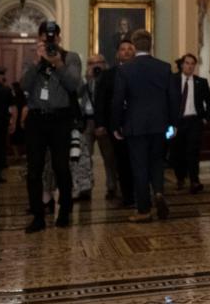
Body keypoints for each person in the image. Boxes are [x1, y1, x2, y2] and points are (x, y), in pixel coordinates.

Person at [20, 20, 82, 233]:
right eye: (46, 37)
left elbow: (75, 85)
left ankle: (64, 211)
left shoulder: (70, 57)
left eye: (53, 37)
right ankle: (38, 216)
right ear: (39, 38)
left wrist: (58, 63)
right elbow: (24, 86)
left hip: (60, 119)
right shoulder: (32, 59)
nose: (50, 40)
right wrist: (39, 62)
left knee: (61, 167)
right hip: (37, 119)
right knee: (34, 170)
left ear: (59, 38)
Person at [112, 29, 178, 223]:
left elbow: (118, 100)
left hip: (135, 125)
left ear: (133, 46)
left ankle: (144, 210)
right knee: (157, 162)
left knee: (139, 166)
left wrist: (116, 125)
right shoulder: (164, 67)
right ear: (151, 45)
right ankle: (158, 192)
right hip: (160, 124)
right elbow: (173, 99)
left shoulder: (125, 69)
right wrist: (173, 124)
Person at [95, 38, 135, 205]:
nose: (126, 51)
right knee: (122, 162)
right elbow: (101, 101)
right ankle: (127, 197)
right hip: (116, 125)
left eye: (129, 49)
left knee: (138, 161)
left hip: (137, 123)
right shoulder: (108, 75)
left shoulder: (140, 72)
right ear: (118, 54)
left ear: (135, 52)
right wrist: (101, 124)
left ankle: (142, 195)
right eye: (123, 49)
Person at [171, 53, 210, 194]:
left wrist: (206, 118)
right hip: (177, 122)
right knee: (177, 151)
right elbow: (167, 102)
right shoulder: (172, 80)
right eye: (187, 63)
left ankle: (195, 181)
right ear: (182, 64)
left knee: (193, 151)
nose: (189, 66)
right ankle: (180, 178)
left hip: (194, 121)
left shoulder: (201, 82)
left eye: (192, 64)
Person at [72, 53, 107, 201]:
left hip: (103, 122)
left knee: (109, 157)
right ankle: (85, 188)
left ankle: (112, 187)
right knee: (84, 157)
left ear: (104, 64)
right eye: (92, 63)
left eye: (98, 63)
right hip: (86, 121)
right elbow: (77, 94)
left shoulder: (108, 78)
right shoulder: (86, 80)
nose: (96, 66)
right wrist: (87, 78)